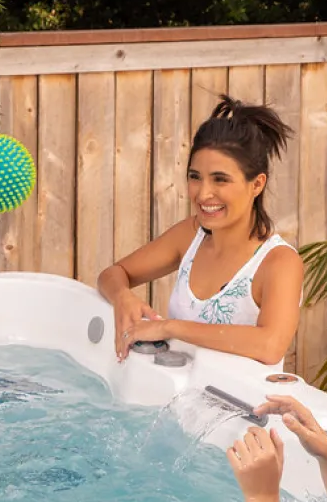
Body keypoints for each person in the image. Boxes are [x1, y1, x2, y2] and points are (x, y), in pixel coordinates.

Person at [97, 95, 303, 366]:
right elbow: (112, 274)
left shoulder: (278, 262)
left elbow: (270, 346)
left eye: (220, 180)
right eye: (195, 177)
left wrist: (170, 328)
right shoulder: (190, 236)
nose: (204, 194)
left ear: (257, 184)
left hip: (243, 404)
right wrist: (122, 296)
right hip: (182, 396)